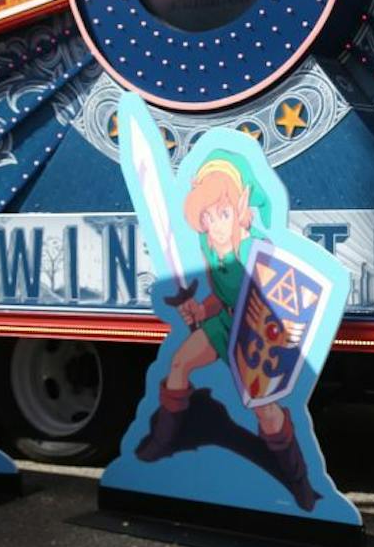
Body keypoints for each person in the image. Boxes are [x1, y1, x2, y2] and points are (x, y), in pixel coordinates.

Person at [133, 150, 320, 511]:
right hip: (223, 323)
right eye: (207, 215)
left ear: (239, 210)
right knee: (179, 365)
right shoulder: (209, 246)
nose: (215, 224)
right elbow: (222, 295)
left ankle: (299, 482)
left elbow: (274, 303)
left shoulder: (255, 249)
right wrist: (202, 308)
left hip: (254, 330)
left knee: (265, 410)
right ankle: (163, 440)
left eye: (223, 213)